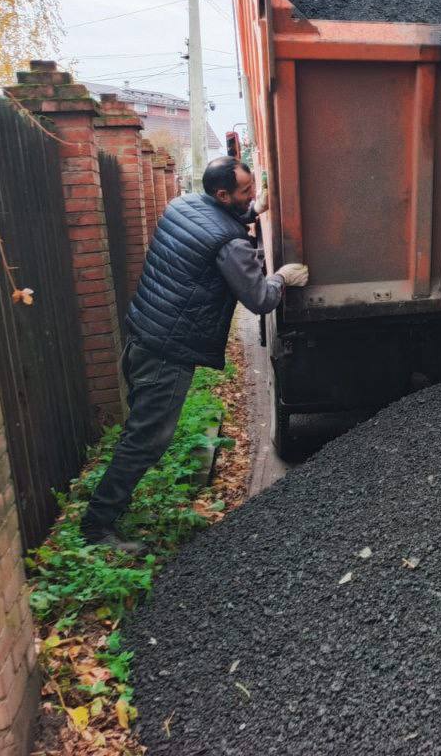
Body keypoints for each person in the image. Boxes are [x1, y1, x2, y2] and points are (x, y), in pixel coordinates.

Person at [79, 156, 308, 552]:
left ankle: (107, 510)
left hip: (142, 333)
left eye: (253, 189)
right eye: (245, 193)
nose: (252, 195)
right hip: (168, 351)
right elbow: (259, 299)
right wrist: (282, 277)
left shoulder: (182, 205)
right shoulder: (230, 243)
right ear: (222, 195)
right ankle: (96, 527)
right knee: (147, 439)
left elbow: (217, 226)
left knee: (141, 430)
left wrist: (254, 209)